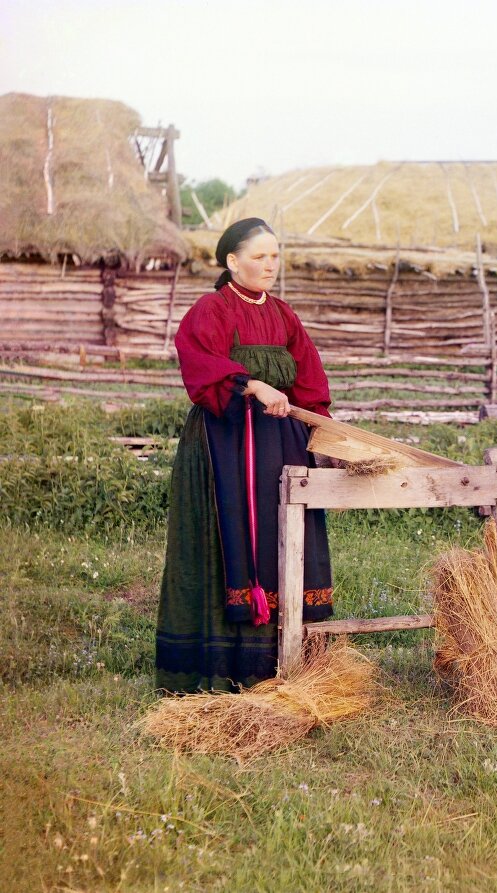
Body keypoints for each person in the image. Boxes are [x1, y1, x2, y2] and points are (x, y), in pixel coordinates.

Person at [155, 218, 334, 692]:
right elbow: (201, 367)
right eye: (259, 256)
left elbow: (309, 380)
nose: (270, 265)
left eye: (275, 256)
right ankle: (226, 666)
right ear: (232, 261)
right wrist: (251, 384)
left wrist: (324, 429)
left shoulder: (283, 315)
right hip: (227, 447)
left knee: (284, 536)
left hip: (282, 445)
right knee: (233, 536)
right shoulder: (210, 310)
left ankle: (288, 663)